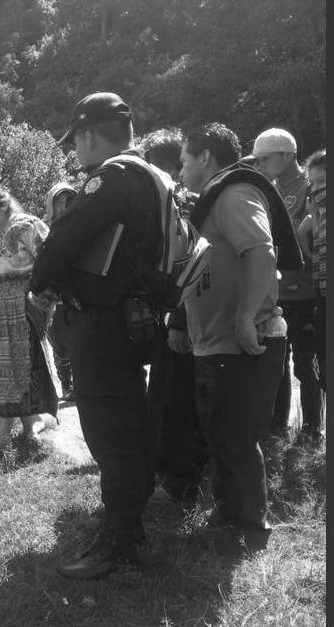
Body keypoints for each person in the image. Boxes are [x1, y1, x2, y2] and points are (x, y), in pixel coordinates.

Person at [30, 92, 162, 579]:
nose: (75, 152)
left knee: (111, 433)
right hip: (131, 318)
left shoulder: (109, 179)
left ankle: (119, 541)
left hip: (103, 324)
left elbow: (64, 239)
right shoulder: (150, 175)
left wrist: (39, 280)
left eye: (76, 141)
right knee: (131, 422)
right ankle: (133, 525)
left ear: (88, 135)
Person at [177, 122, 289, 554]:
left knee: (236, 438)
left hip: (243, 340)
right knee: (221, 433)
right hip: (217, 342)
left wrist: (246, 317)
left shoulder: (235, 194)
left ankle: (250, 530)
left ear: (205, 157)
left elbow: (262, 251)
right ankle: (230, 517)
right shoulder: (212, 200)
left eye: (185, 160)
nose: (182, 170)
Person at [140, 128, 208, 502]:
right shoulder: (176, 202)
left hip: (184, 319)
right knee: (169, 397)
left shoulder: (182, 204)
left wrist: (177, 321)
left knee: (176, 400)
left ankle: (181, 479)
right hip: (177, 317)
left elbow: (188, 268)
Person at [0, 179, 58, 456]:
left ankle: (6, 433)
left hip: (18, 309)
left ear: (3, 204)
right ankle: (29, 425)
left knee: (20, 367)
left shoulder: (26, 226)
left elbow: (49, 262)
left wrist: (43, 300)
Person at [249, 128, 324, 442]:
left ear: (288, 155)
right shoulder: (266, 189)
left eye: (268, 157)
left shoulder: (312, 188)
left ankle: (311, 430)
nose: (262, 163)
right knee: (275, 364)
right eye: (260, 158)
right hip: (275, 292)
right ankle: (277, 427)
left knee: (305, 366)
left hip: (306, 292)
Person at [296, 149, 326, 443]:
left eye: (322, 183)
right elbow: (310, 246)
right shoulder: (317, 214)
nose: (317, 191)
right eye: (313, 184)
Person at [43, 182, 77, 402]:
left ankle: (80, 383)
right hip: (53, 298)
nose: (64, 205)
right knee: (59, 344)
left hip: (77, 296)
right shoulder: (43, 229)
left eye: (68, 200)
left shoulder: (83, 225)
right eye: (59, 201)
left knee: (78, 342)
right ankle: (66, 383)